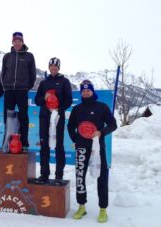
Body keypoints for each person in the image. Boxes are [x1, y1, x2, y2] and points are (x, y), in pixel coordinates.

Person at [67, 80, 117, 223]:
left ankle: (103, 209)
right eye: (83, 91)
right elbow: (70, 126)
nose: (85, 92)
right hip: (81, 147)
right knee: (80, 176)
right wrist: (76, 139)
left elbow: (113, 124)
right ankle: (81, 206)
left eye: (88, 90)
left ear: (93, 91)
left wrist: (101, 132)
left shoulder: (102, 107)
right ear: (81, 92)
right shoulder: (77, 109)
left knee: (102, 177)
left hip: (98, 148)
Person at [34, 57, 72, 184]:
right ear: (49, 67)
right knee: (44, 145)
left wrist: (58, 109)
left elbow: (69, 100)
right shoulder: (43, 83)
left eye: (56, 67)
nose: (53, 68)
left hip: (57, 118)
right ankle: (44, 174)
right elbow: (37, 100)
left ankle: (59, 175)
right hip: (44, 117)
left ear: (59, 68)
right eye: (51, 66)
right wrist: (44, 98)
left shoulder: (65, 82)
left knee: (59, 146)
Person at [1, 32, 36, 150]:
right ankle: (7, 143)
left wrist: (26, 87)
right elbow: (3, 73)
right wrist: (6, 85)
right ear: (12, 42)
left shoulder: (29, 56)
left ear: (22, 42)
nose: (17, 43)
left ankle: (24, 142)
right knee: (7, 117)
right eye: (15, 41)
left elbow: (33, 75)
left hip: (22, 91)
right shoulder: (7, 56)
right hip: (9, 91)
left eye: (19, 41)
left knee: (23, 116)